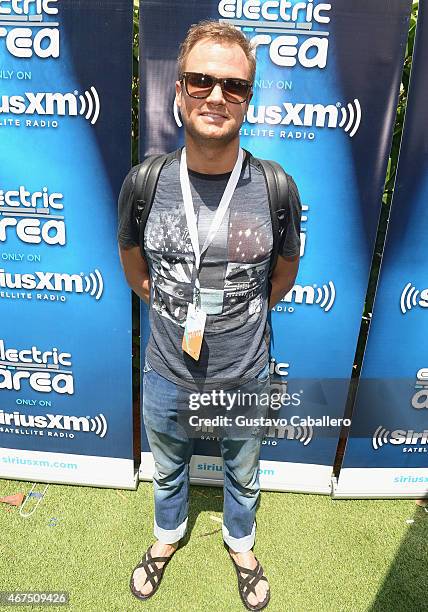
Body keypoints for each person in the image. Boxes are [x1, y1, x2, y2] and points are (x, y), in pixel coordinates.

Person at [118, 20, 302, 610]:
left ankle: (240, 543)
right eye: (200, 81)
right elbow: (134, 272)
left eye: (234, 85)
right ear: (179, 93)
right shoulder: (144, 183)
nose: (216, 96)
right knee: (167, 468)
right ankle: (167, 536)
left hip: (246, 374)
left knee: (243, 472)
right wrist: (179, 312)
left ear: (248, 99)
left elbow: (281, 277)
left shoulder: (276, 187)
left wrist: (235, 321)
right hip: (167, 371)